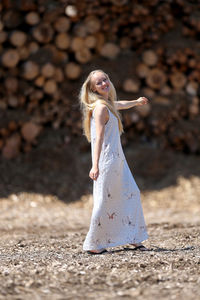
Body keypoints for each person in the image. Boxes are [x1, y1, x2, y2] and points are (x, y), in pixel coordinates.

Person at [79, 69, 149, 254]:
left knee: (130, 193)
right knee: (104, 200)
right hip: (107, 160)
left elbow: (121, 104)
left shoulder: (107, 104)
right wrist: (95, 165)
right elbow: (98, 139)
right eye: (99, 82)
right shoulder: (101, 108)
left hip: (118, 160)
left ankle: (132, 237)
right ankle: (94, 243)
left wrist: (137, 102)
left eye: (106, 79)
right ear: (93, 89)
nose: (104, 83)